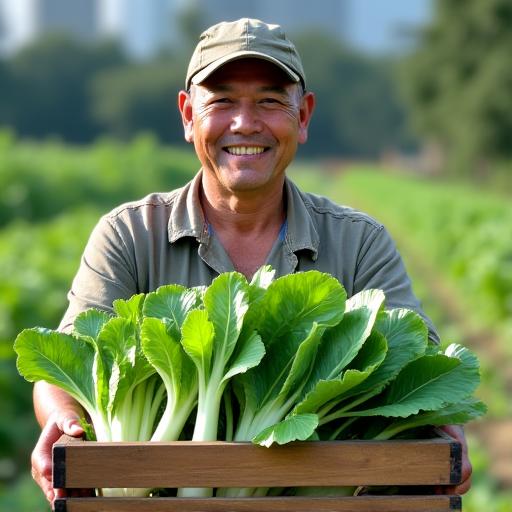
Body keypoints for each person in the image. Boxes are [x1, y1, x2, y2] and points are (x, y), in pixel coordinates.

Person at [31, 18, 472, 505]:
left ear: (303, 116)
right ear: (187, 115)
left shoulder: (360, 243)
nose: (245, 123)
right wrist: (63, 418)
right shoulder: (129, 234)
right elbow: (63, 363)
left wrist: (443, 432)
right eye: (222, 100)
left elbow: (421, 364)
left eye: (268, 101)